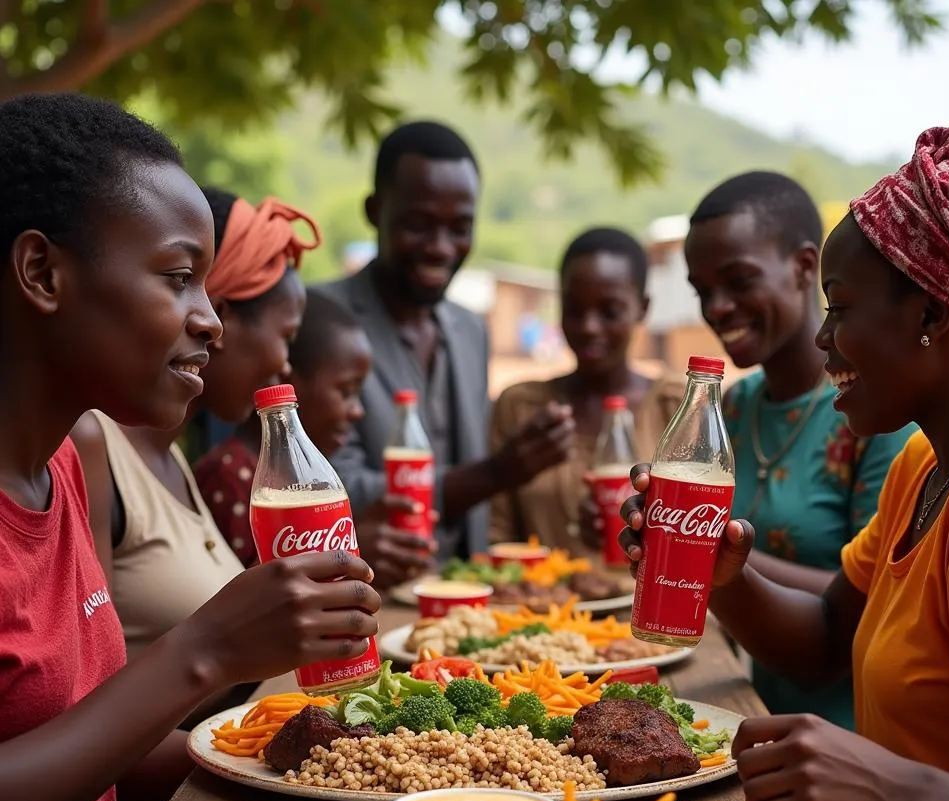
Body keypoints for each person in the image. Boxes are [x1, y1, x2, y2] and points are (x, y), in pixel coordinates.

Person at [619, 127, 949, 801]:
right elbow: (823, 639)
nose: (824, 340)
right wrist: (722, 574)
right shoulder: (927, 462)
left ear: (931, 311)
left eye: (840, 308)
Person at [0, 92, 378, 801]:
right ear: (43, 275)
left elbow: (90, 760)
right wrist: (203, 655)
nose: (210, 318)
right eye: (177, 278)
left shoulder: (61, 470)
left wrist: (334, 760)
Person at [585, 177, 914, 737]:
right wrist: (673, 544)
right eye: (701, 289)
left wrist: (711, 551)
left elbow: (871, 598)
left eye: (738, 281)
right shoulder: (730, 408)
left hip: (850, 737)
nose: (717, 308)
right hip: (749, 715)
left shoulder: (877, 416)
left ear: (803, 265)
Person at [72, 187, 315, 664]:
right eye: (286, 337)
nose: (286, 366)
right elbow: (90, 687)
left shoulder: (174, 456)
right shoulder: (92, 446)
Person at [318, 120, 574, 569]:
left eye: (460, 227)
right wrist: (496, 473)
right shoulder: (319, 320)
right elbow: (332, 488)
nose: (441, 247)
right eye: (418, 225)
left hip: (464, 598)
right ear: (376, 210)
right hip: (366, 598)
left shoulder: (470, 329)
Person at [194, 290, 435, 586]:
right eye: (346, 391)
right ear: (287, 384)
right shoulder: (229, 478)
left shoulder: (307, 477)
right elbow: (248, 602)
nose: (358, 411)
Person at [491, 228, 683, 555]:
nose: (590, 326)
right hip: (537, 604)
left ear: (643, 308)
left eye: (610, 311)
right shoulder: (522, 407)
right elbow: (497, 536)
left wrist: (643, 527)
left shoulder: (677, 408)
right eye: (574, 309)